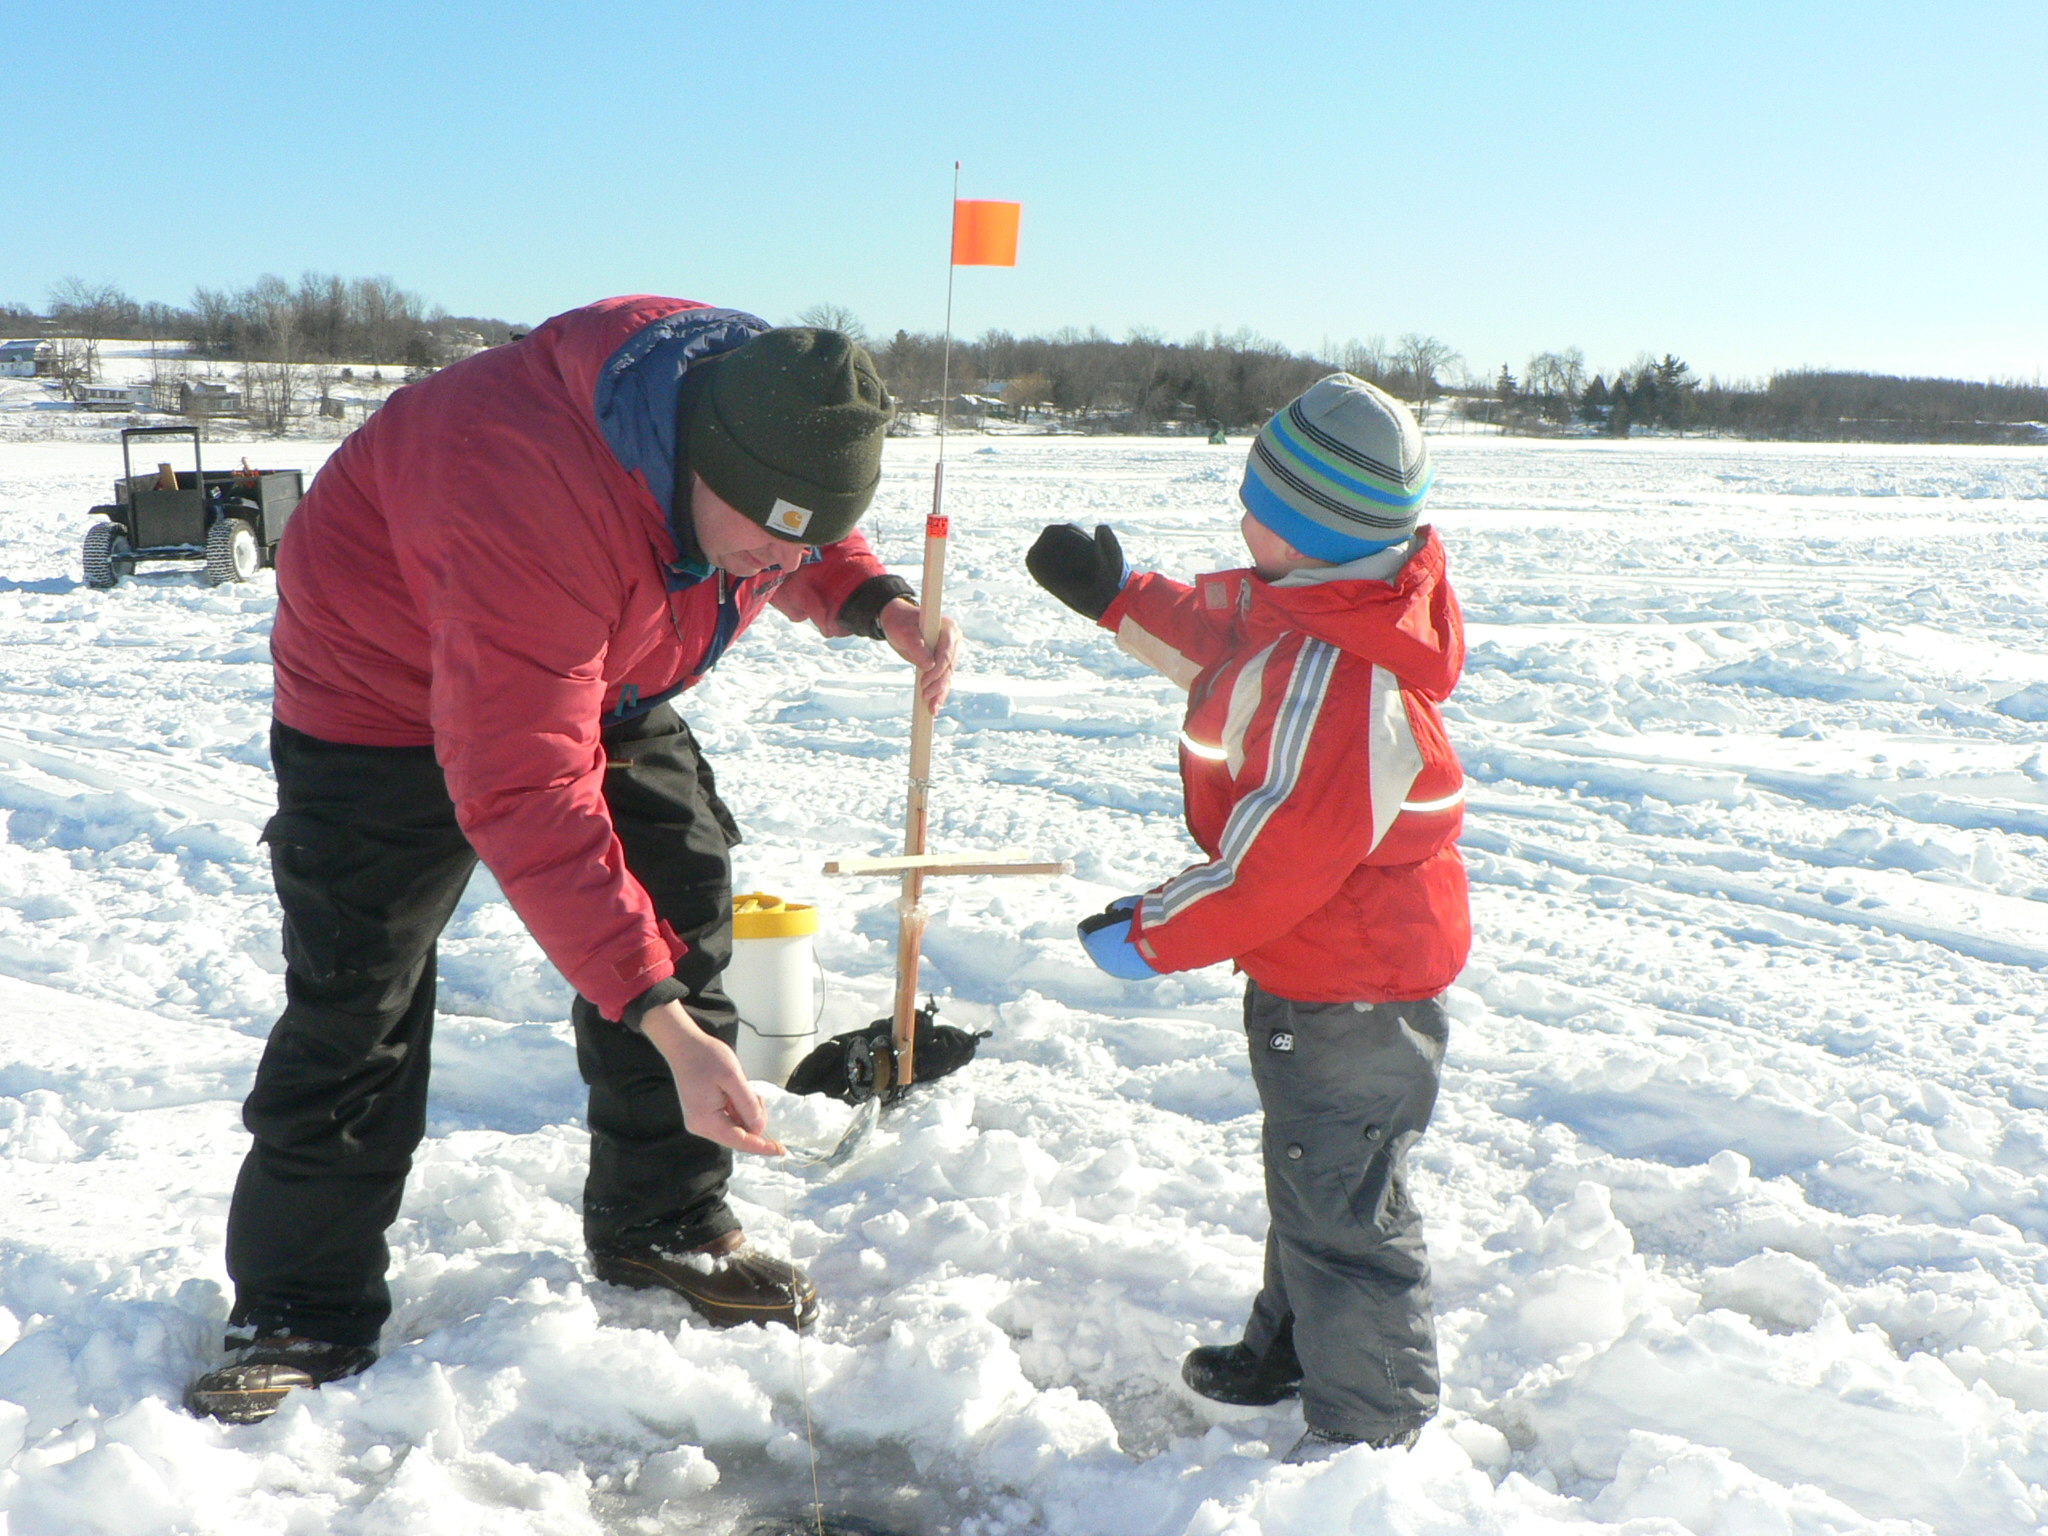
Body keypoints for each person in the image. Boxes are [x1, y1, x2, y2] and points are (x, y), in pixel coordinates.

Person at [186, 298, 960, 1425]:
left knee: (682, 901)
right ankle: (300, 1305)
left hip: (598, 667)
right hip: (379, 697)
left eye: (792, 546)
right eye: (760, 545)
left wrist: (862, 594)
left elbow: (798, 517)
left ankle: (662, 1223)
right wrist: (657, 1017)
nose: (771, 568)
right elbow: (525, 790)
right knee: (363, 991)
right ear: (695, 459)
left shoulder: (761, 406)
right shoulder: (519, 488)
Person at [1026, 374, 1468, 1464]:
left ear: (1310, 534)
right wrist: (1116, 591)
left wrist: (1151, 930)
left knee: (1341, 1207)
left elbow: (1272, 867)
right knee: (1311, 1176)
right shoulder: (1318, 605)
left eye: (1256, 506)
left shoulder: (1340, 681)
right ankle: (1293, 1353)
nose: (1239, 518)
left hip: (1348, 991)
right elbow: (1222, 634)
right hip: (1322, 974)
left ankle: (1370, 1435)